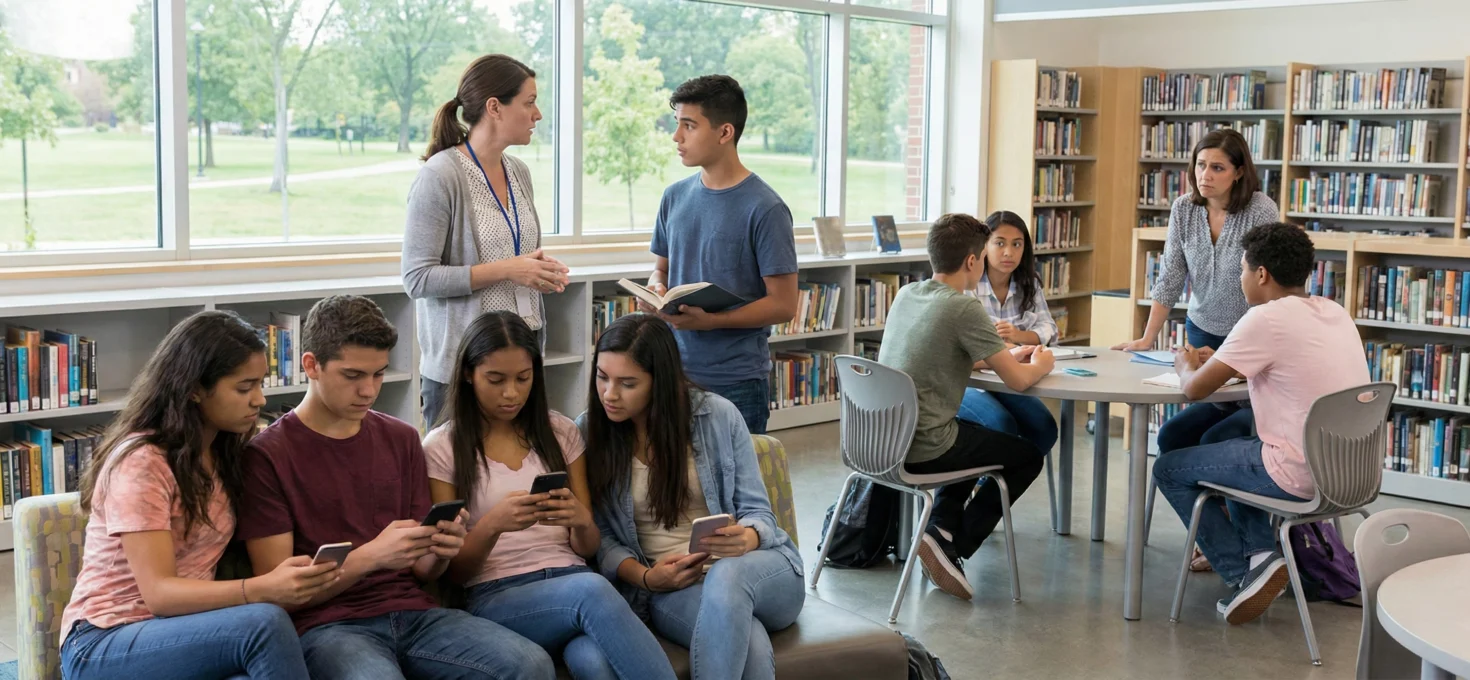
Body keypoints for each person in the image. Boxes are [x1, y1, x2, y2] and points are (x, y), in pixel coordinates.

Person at [236, 295, 554, 680]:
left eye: (379, 374)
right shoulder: (267, 455)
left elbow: (422, 571)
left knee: (530, 663)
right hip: (327, 626)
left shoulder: (402, 439)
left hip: (415, 613)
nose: (369, 391)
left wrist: (441, 550)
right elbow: (280, 592)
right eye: (353, 376)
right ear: (311, 365)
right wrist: (372, 555)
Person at [60, 311, 339, 679]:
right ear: (193, 388)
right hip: (103, 641)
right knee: (264, 624)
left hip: (189, 632)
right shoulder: (143, 462)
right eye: (244, 388)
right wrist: (261, 590)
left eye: (260, 384)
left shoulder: (226, 452)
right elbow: (159, 594)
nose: (258, 399)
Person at [424, 311, 675, 680]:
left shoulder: (560, 431)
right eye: (495, 380)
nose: (512, 393)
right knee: (593, 590)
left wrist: (579, 519)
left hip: (569, 578)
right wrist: (493, 525)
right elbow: (454, 574)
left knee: (594, 662)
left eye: (523, 379)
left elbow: (588, 548)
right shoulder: (442, 446)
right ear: (467, 374)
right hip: (497, 595)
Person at [1157, 222, 1369, 625]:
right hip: (1349, 472)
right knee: (1235, 441)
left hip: (1296, 474)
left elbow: (1195, 391)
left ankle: (1244, 573)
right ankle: (1259, 555)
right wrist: (1227, 362)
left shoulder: (1265, 319)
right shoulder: (1334, 312)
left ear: (1261, 274)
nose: (1240, 279)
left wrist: (1186, 364)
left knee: (1168, 467)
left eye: (1241, 270)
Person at [579, 314, 804, 680]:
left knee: (728, 576)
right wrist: (647, 577)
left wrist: (746, 537)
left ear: (660, 382)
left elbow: (758, 512)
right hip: (674, 587)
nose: (609, 394)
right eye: (602, 377)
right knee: (754, 641)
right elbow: (599, 535)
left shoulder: (716, 416)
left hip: (760, 571)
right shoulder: (590, 432)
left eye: (628, 383)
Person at [878, 213, 1056, 602]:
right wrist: (1041, 362)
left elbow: (942, 352)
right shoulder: (964, 308)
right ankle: (954, 544)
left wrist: (997, 355)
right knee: (1027, 455)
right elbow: (1020, 381)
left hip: (882, 441)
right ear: (973, 261)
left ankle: (940, 529)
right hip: (924, 448)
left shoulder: (909, 294)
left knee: (976, 438)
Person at [404, 53, 570, 426]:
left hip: (520, 363)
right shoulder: (440, 175)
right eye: (529, 103)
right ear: (494, 107)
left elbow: (514, 259)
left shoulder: (519, 172)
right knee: (459, 481)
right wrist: (509, 270)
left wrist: (538, 272)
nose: (538, 114)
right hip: (463, 371)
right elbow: (418, 279)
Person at [642, 75, 799, 434]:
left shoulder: (766, 208)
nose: (676, 136)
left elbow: (784, 305)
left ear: (725, 132)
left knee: (734, 491)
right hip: (672, 372)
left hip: (737, 382)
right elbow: (660, 270)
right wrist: (655, 288)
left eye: (688, 125)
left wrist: (711, 322)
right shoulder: (674, 196)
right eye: (676, 124)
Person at [1113, 128, 1279, 456]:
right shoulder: (1184, 209)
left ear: (1239, 172)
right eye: (1200, 165)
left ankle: (1227, 496)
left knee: (1229, 435)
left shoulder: (1261, 210)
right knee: (1184, 432)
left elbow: (1267, 281)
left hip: (1247, 336)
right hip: (1201, 333)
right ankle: (1203, 499)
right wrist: (1147, 338)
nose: (1205, 175)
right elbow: (1171, 275)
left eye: (1217, 168)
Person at [956, 210, 1061, 459]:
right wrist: (1009, 348)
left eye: (1017, 244)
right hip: (971, 380)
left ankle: (1005, 486)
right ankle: (990, 486)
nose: (1008, 253)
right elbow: (967, 348)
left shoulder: (1028, 283)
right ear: (984, 246)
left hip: (1008, 377)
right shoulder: (969, 284)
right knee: (1002, 426)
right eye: (1000, 243)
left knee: (1044, 428)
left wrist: (1020, 336)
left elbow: (1051, 330)